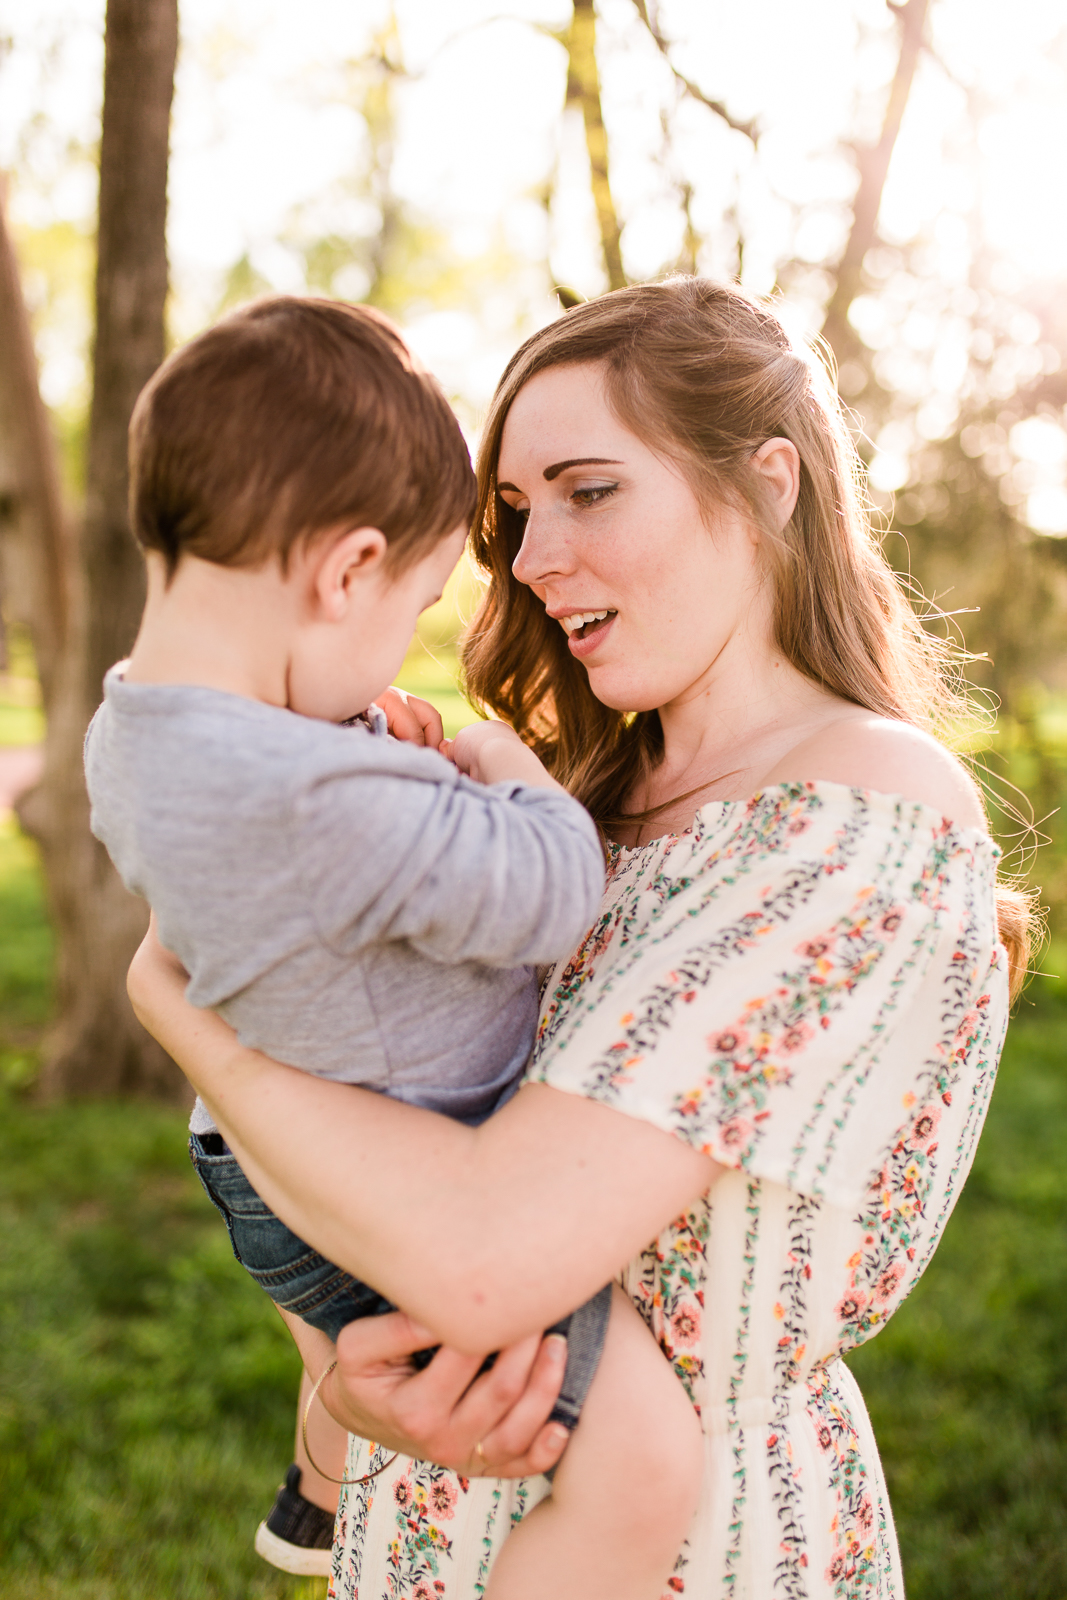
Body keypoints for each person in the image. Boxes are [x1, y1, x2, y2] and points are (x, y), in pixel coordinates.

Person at [127, 277, 1031, 1600]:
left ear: (771, 485)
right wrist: (350, 1394)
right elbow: (344, 1132)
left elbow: (489, 1257)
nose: (533, 557)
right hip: (421, 1532)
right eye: (512, 512)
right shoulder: (555, 812)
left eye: (589, 490)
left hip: (682, 1549)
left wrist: (172, 1001)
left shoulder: (857, 814)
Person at [84, 296, 706, 1598]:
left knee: (354, 1376)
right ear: (346, 568)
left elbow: (281, 804)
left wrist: (360, 727)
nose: (393, 666)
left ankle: (316, 1491)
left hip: (256, 1165)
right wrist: (488, 752)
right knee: (645, 1462)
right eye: (412, 604)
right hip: (400, 1172)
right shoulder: (322, 796)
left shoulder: (131, 727)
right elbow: (554, 888)